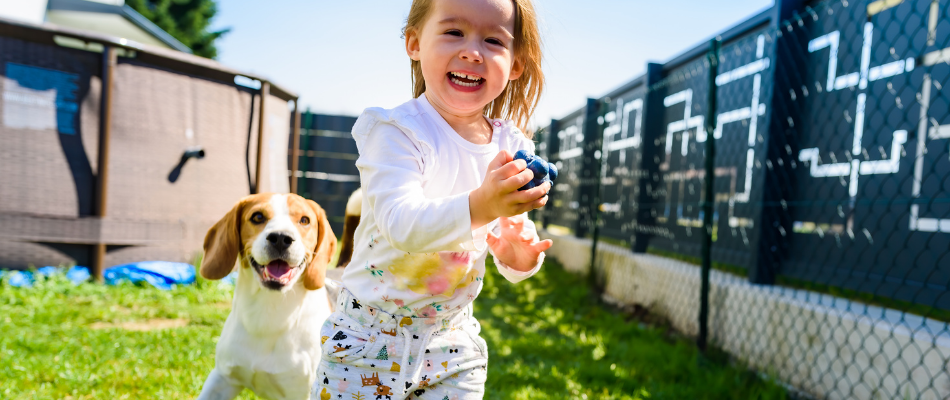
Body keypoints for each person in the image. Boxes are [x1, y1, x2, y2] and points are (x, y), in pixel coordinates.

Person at [315, 0, 549, 398]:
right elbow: (401, 224)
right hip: (367, 338)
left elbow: (506, 232)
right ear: (414, 43)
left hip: (452, 343)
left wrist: (519, 257)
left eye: (493, 40)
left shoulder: (511, 145)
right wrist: (483, 206)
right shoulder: (396, 132)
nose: (472, 51)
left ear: (514, 66)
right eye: (454, 32)